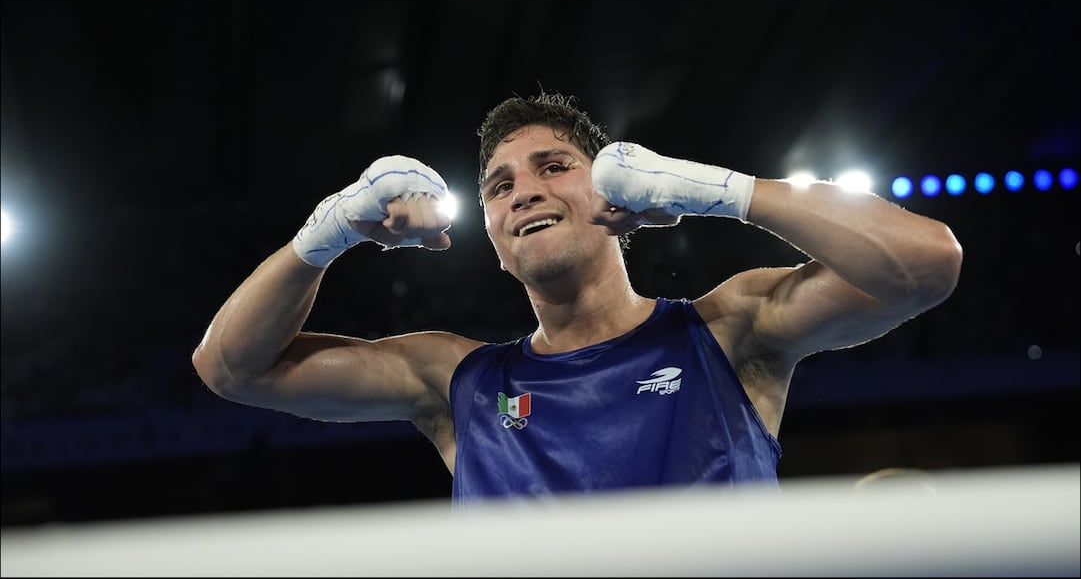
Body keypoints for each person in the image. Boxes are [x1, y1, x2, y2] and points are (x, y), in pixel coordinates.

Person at [192, 91, 963, 504]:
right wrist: (328, 232)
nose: (523, 191)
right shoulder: (455, 382)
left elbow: (926, 263)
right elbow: (231, 368)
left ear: (615, 195)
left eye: (553, 167)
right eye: (500, 186)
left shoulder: (729, 330)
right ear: (491, 238)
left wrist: (716, 191)